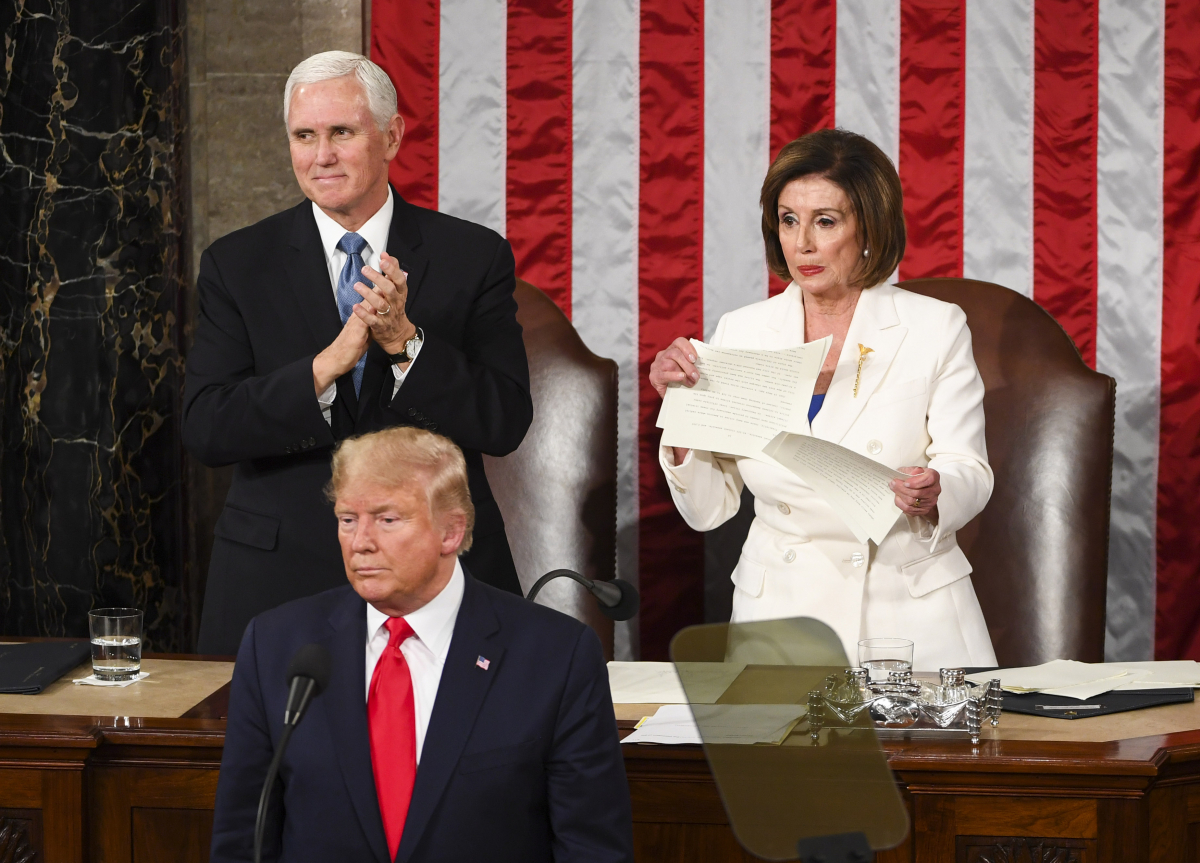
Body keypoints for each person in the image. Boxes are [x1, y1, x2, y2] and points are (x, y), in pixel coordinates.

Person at [184, 52, 532, 654]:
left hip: (435, 571)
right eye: (304, 136)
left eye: (341, 132)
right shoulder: (236, 264)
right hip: (279, 578)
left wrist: (404, 344)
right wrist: (324, 369)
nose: (322, 156)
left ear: (391, 135)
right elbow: (207, 426)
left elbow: (503, 420)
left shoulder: (472, 256)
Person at [649, 128, 996, 671]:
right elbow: (708, 509)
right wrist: (681, 422)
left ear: (869, 230)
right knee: (788, 760)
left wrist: (936, 492)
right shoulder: (741, 332)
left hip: (910, 620)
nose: (802, 244)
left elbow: (968, 468)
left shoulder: (935, 327)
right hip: (781, 619)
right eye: (789, 220)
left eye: (825, 221)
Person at [210, 427, 634, 862]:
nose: (360, 543)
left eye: (387, 519)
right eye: (347, 519)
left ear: (451, 532)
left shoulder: (555, 656)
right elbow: (242, 839)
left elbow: (593, 849)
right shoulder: (277, 645)